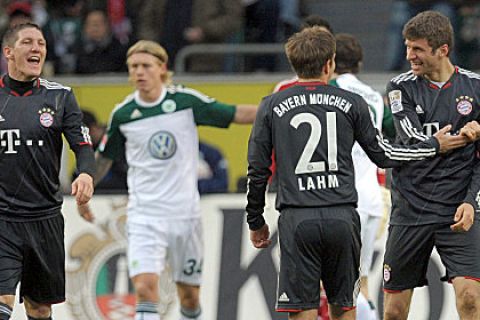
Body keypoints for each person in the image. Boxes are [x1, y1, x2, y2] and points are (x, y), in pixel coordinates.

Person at [245, 26, 468, 320]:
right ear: (329, 64)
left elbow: (258, 169)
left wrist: (256, 220)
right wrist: (432, 145)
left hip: (297, 218)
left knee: (302, 308)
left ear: (293, 63)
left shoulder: (272, 105)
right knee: (345, 306)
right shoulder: (352, 103)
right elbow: (385, 155)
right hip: (342, 217)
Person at [77, 40, 257, 320]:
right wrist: (85, 187)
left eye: (146, 66)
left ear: (162, 68)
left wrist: (276, 110)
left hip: (185, 215)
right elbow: (104, 159)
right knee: (145, 287)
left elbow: (235, 114)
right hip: (144, 215)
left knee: (189, 296)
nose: (139, 72)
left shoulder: (185, 102)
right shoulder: (123, 114)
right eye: (133, 67)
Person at [383, 11, 480, 320]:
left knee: (470, 300)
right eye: (408, 47)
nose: (409, 55)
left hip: (457, 209)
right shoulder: (401, 87)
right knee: (395, 312)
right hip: (411, 209)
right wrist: (442, 143)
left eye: (418, 50)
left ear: (442, 50)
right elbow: (410, 137)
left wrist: (471, 201)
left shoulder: (475, 87)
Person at [0, 22, 94, 320]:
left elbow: (82, 145)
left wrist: (86, 173)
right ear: (9, 52)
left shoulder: (61, 96)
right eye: (27, 42)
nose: (36, 48)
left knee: (39, 308)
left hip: (45, 219)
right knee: (1, 299)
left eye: (40, 43)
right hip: (3, 219)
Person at [329, 32, 387, 320]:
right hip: (371, 200)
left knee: (333, 287)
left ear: (330, 62)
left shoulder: (329, 91)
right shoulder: (375, 96)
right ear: (360, 63)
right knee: (360, 283)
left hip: (340, 199)